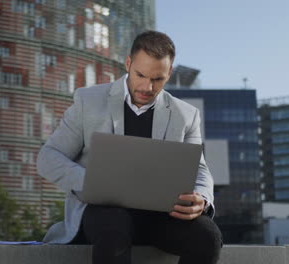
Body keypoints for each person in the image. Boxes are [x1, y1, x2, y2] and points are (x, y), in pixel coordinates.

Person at [37, 30, 223, 264]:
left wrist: (203, 199)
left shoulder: (186, 115)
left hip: (161, 217)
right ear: (128, 63)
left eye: (157, 79)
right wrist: (92, 183)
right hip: (103, 214)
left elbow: (200, 169)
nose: (147, 86)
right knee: (113, 227)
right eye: (141, 75)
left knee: (208, 237)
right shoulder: (88, 101)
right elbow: (48, 157)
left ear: (169, 73)